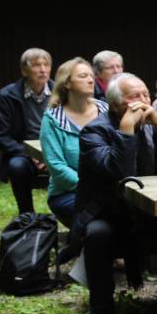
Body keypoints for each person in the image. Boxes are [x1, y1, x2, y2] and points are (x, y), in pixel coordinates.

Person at [74, 73, 157, 314]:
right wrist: (125, 131)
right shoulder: (94, 132)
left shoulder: (150, 125)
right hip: (109, 213)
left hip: (146, 213)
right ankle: (101, 312)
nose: (144, 102)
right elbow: (118, 173)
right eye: (135, 96)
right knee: (97, 234)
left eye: (146, 95)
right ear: (115, 104)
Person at [40, 57, 100, 227]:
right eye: (82, 76)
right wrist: (92, 187)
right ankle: (81, 248)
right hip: (67, 193)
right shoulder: (53, 119)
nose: (90, 80)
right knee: (97, 213)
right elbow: (57, 167)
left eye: (91, 76)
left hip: (107, 190)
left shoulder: (106, 111)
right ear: (67, 83)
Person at [0, 47, 51, 215]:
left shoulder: (60, 93)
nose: (42, 69)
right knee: (16, 166)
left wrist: (51, 155)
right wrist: (31, 155)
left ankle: (71, 217)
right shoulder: (8, 95)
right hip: (24, 153)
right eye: (36, 65)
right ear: (24, 71)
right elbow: (0, 136)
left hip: (56, 151)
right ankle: (27, 216)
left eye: (46, 64)